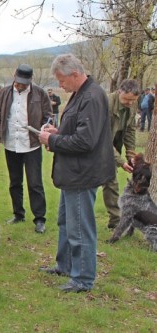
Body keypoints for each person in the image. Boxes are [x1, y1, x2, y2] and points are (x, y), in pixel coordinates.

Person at [38, 54, 115, 293]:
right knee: (65, 221)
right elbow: (78, 130)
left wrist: (53, 139)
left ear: (74, 74)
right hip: (72, 173)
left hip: (83, 174)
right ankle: (65, 264)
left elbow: (85, 141)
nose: (60, 85)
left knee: (80, 226)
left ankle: (83, 278)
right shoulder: (79, 94)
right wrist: (58, 132)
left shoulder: (92, 96)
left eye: (61, 80)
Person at [0, 64, 52, 234]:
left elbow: (48, 117)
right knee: (14, 182)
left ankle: (39, 219)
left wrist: (47, 136)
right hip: (11, 144)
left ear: (30, 81)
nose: (20, 86)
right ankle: (18, 214)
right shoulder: (4, 93)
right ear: (14, 77)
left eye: (24, 83)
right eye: (18, 82)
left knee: (35, 183)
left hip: (31, 144)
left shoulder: (40, 93)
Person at [102, 79, 140, 230]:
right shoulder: (106, 103)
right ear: (119, 91)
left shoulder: (133, 104)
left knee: (111, 183)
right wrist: (120, 161)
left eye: (133, 100)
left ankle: (115, 222)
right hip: (97, 148)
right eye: (127, 99)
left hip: (114, 145)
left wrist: (131, 156)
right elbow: (103, 138)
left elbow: (130, 130)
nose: (130, 103)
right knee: (91, 185)